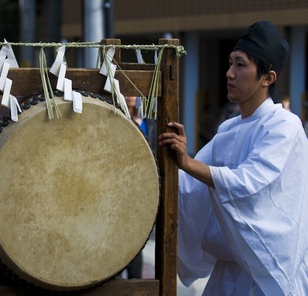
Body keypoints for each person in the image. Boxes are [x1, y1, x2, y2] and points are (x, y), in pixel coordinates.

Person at [158, 21, 308, 295]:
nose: (229, 73)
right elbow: (189, 188)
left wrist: (188, 162)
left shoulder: (284, 125)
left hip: (270, 274)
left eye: (240, 65)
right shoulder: (228, 129)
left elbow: (249, 183)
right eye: (230, 63)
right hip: (228, 273)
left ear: (268, 78)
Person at [122, 96, 157, 279]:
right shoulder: (115, 118)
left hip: (142, 188)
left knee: (136, 239)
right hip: (120, 187)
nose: (128, 97)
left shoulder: (150, 124)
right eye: (125, 91)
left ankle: (136, 282)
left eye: (132, 93)